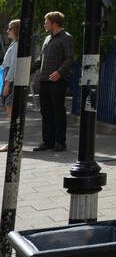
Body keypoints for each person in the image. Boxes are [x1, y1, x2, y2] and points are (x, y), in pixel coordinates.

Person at [32, 11, 75, 153]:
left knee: (58, 112)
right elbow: (40, 60)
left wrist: (59, 72)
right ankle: (47, 141)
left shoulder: (66, 38)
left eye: (46, 22)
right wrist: (27, 71)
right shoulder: (47, 38)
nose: (45, 24)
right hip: (44, 81)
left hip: (57, 82)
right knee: (46, 112)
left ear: (55, 23)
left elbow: (69, 58)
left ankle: (60, 142)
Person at [0, 19, 19, 152]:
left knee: (11, 111)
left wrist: (7, 84)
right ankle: (13, 141)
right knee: (10, 110)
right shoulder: (14, 44)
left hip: (10, 81)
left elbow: (13, 67)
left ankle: (13, 141)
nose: (7, 31)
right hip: (7, 77)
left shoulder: (17, 46)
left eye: (10, 28)